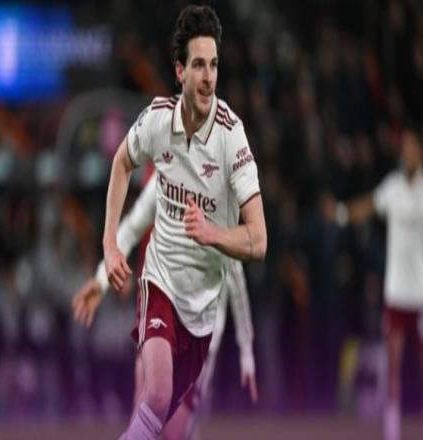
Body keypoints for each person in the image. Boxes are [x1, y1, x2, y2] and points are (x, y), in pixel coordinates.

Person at [102, 5, 267, 439]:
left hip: (203, 312)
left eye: (214, 65)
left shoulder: (232, 137)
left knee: (169, 428)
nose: (208, 77)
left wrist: (212, 234)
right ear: (180, 71)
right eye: (198, 65)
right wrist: (110, 245)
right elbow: (121, 162)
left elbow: (259, 239)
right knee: (154, 393)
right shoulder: (158, 120)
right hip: (159, 283)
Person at [73, 172, 258, 439]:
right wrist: (102, 279)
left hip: (198, 330)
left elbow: (235, 274)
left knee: (174, 428)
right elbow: (131, 228)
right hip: (161, 309)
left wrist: (246, 348)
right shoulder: (163, 180)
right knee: (146, 402)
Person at [325, 128, 423, 440]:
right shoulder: (394, 187)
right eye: (405, 148)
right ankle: (392, 431)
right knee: (393, 362)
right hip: (396, 291)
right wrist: (342, 213)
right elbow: (369, 205)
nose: (407, 153)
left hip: (422, 293)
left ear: (421, 152)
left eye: (412, 147)